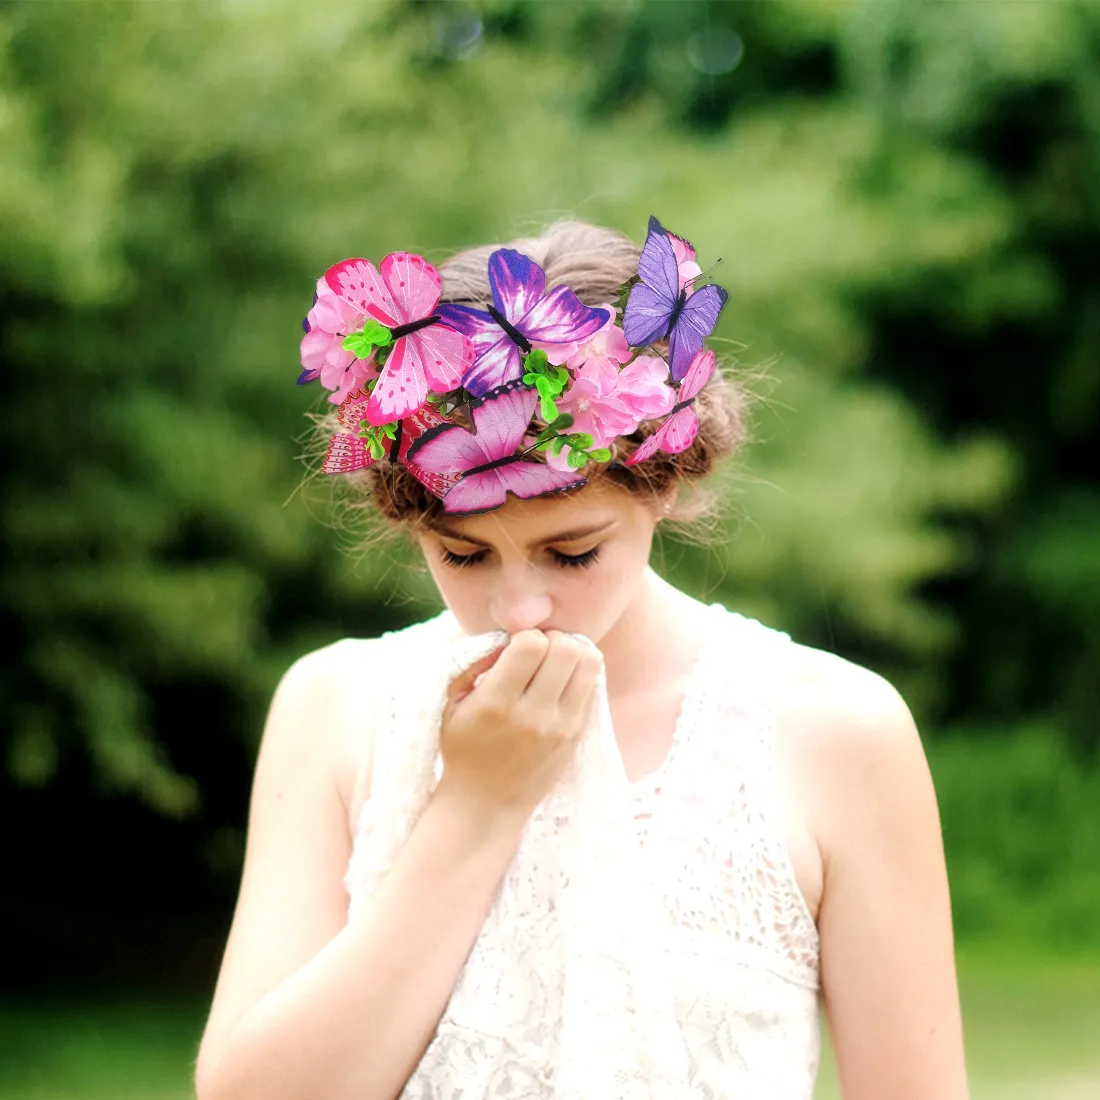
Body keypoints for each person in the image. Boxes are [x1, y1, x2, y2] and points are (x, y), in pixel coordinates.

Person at [194, 218, 970, 1100]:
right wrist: (477, 806)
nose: (519, 608)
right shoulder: (335, 706)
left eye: (571, 554)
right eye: (463, 554)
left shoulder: (834, 731)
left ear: (666, 483)